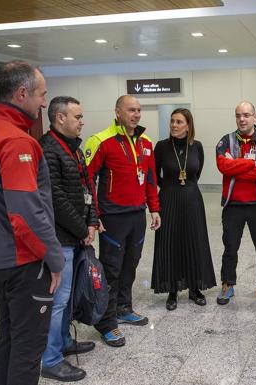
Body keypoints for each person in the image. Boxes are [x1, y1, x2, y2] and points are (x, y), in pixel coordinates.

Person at [0, 60, 64, 385]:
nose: (43, 103)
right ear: (22, 92)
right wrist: (54, 259)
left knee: (8, 337)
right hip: (23, 262)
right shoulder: (18, 142)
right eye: (41, 95)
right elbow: (25, 214)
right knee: (27, 350)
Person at [84, 95, 160, 347]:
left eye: (139, 110)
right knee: (111, 269)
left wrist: (154, 209)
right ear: (117, 112)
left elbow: (149, 179)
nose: (136, 114)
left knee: (131, 264)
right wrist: (93, 215)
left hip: (137, 216)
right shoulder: (101, 141)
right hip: (112, 219)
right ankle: (106, 323)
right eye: (131, 110)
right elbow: (87, 181)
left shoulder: (146, 143)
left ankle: (123, 308)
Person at [39, 96, 98, 381]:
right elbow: (56, 200)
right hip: (60, 238)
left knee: (68, 297)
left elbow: (88, 186)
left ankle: (62, 342)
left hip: (75, 235)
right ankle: (49, 359)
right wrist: (81, 229)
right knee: (58, 301)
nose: (82, 121)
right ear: (60, 118)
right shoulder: (48, 148)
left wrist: (93, 221)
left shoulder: (73, 149)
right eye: (77, 117)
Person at [151, 108, 216, 310]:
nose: (174, 125)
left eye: (179, 122)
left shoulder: (196, 146)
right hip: (169, 199)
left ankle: (195, 288)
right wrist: (168, 188)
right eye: (172, 121)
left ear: (188, 126)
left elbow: (196, 172)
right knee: (170, 242)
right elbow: (154, 175)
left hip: (192, 200)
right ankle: (172, 290)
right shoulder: (161, 147)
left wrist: (186, 186)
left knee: (194, 241)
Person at [215, 101, 256, 305]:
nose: (242, 119)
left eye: (246, 115)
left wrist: (237, 167)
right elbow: (224, 166)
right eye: (238, 115)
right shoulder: (226, 141)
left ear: (255, 117)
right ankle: (227, 283)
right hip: (233, 205)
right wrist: (252, 163)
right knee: (230, 247)